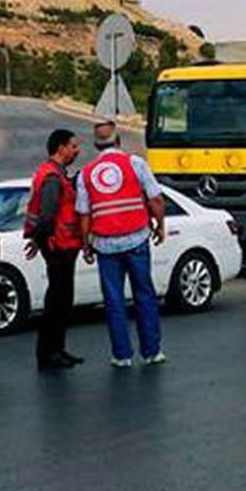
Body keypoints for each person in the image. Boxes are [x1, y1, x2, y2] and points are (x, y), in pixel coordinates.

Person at [76, 120, 167, 367]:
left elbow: (84, 214)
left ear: (96, 145)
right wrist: (160, 226)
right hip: (136, 239)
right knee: (144, 295)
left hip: (105, 246)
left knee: (114, 300)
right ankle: (151, 352)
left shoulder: (86, 174)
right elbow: (156, 199)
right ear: (118, 141)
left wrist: (85, 244)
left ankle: (122, 355)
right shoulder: (135, 164)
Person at [23, 129, 84, 371]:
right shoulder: (52, 178)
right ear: (61, 148)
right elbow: (47, 216)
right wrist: (39, 240)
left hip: (61, 245)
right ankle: (49, 353)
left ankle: (57, 349)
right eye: (73, 146)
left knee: (62, 299)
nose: (77, 150)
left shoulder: (56, 174)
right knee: (58, 300)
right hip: (58, 245)